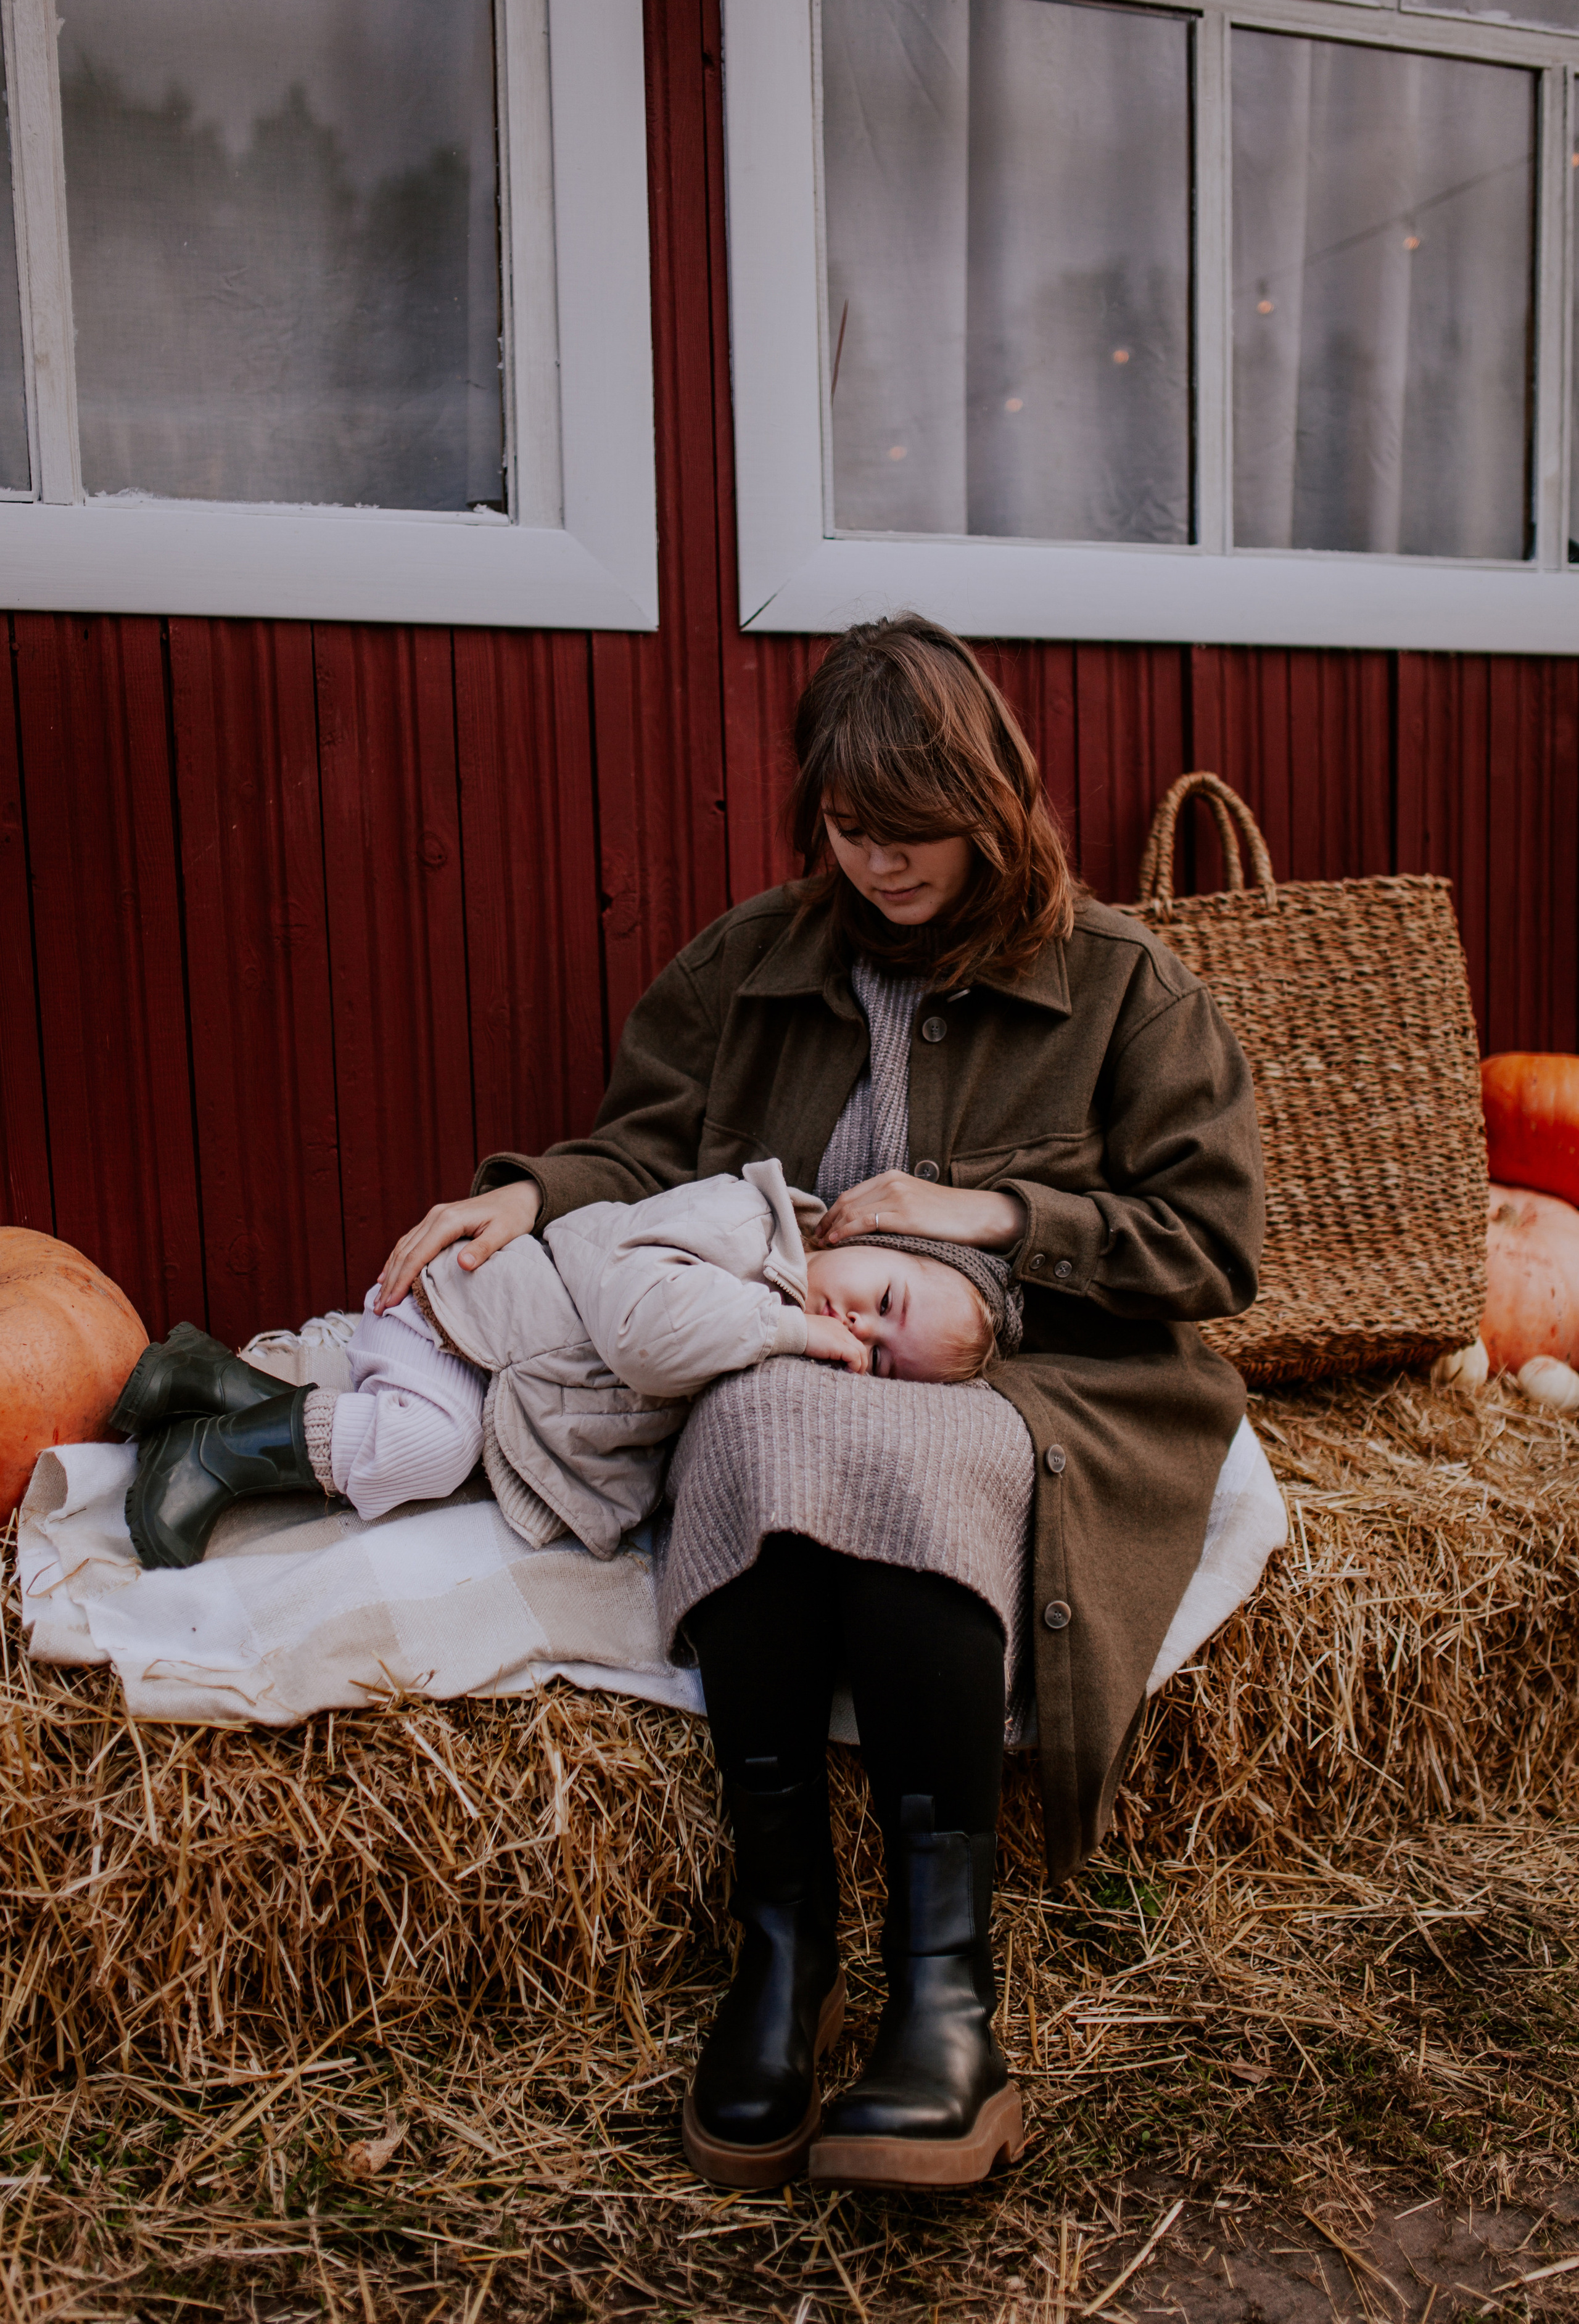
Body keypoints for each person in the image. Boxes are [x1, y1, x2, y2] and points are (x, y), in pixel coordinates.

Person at [231, 614, 1268, 2192]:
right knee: (764, 1414)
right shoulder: (750, 963)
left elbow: (1207, 1247)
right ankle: (781, 1952)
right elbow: (641, 1151)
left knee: (885, 1439)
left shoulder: (1122, 985)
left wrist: (984, 1217)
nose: (880, 864)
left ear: (992, 805)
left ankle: (945, 2000)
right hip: (776, 1338)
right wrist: (532, 1197)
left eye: (913, 832)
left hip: (1026, 1361)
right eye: (850, 830)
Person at [116, 1158, 1012, 1571]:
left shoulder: (769, 1315)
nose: (858, 1328)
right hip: (463, 1320)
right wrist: (788, 1336)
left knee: (447, 1451)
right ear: (865, 1235)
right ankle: (209, 1457)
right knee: (431, 1449)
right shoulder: (747, 1229)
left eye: (883, 1361)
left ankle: (202, 1382)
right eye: (884, 1301)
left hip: (498, 1364)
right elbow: (643, 1334)